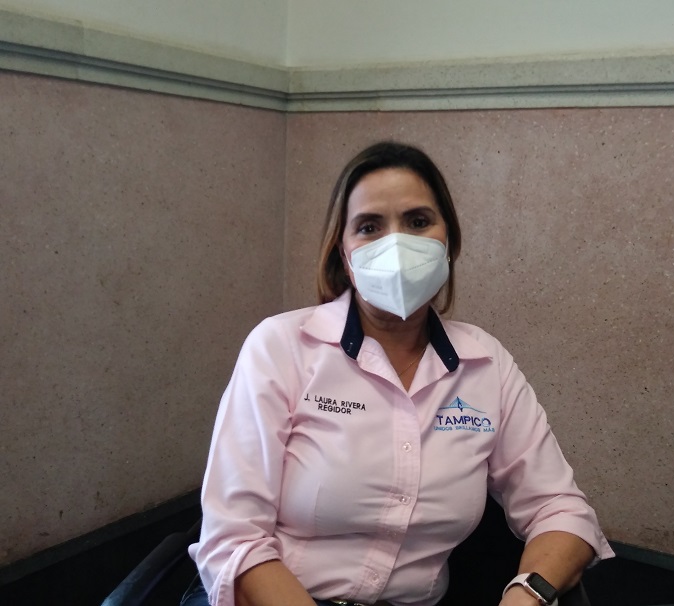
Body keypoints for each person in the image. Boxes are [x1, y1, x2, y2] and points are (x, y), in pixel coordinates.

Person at [186, 141, 614, 606]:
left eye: (418, 221)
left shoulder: (485, 363)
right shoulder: (281, 346)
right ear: (344, 254)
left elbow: (561, 510)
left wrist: (527, 594)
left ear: (449, 242)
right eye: (369, 227)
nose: (396, 246)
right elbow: (235, 539)